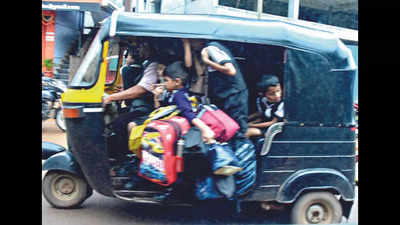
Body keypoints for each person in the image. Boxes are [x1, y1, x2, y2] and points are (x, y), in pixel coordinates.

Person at [153, 61, 243, 176]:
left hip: (190, 132)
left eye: (166, 80)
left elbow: (189, 114)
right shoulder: (180, 93)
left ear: (177, 82)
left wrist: (204, 129)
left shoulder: (179, 96)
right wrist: (156, 97)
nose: (164, 84)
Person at [103, 39, 159, 160]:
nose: (140, 50)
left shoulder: (154, 65)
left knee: (120, 122)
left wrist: (112, 97)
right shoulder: (146, 64)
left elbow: (142, 89)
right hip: (140, 106)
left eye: (142, 46)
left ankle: (124, 159)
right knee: (117, 119)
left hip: (148, 109)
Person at [200, 40, 249, 138]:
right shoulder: (209, 48)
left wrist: (206, 61)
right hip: (228, 95)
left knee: (237, 129)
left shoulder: (212, 48)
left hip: (234, 94)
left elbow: (230, 70)